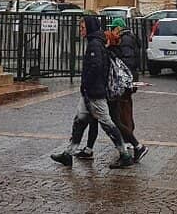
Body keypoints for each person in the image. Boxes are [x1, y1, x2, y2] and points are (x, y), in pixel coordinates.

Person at [51, 15, 133, 169]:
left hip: (94, 93)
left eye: (82, 28)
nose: (80, 31)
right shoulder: (96, 42)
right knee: (79, 121)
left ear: (89, 27)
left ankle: (124, 154)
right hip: (89, 92)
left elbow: (96, 67)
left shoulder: (94, 44)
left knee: (107, 123)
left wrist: (87, 84)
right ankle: (69, 153)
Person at [76, 18, 147, 162]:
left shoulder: (106, 49)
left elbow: (105, 69)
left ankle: (133, 147)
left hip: (110, 91)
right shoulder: (109, 49)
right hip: (109, 90)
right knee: (97, 120)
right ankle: (87, 149)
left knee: (114, 121)